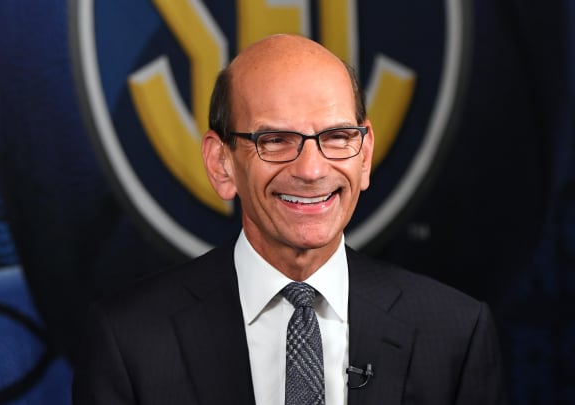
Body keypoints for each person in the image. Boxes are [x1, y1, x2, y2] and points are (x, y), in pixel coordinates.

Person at [72, 34, 507, 405]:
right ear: (222, 163)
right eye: (276, 140)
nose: (311, 170)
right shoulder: (128, 341)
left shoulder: (455, 334)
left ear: (365, 155)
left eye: (337, 137)